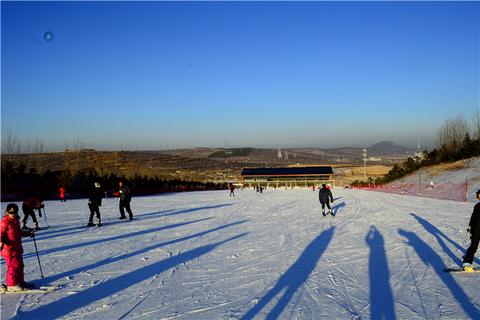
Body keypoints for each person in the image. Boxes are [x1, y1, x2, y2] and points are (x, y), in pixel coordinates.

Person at [0, 204, 35, 292]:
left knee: (20, 266)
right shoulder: (5, 221)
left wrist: (28, 233)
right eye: (11, 212)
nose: (13, 213)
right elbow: (1, 233)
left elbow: (18, 232)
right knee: (13, 267)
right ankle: (11, 285)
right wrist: (1, 242)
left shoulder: (16, 221)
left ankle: (19, 281)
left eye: (15, 212)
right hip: (8, 249)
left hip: (17, 248)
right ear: (7, 211)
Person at [462, 189, 480, 272]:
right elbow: (473, 218)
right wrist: (469, 228)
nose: (479, 196)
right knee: (473, 246)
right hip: (476, 230)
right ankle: (467, 262)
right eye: (478, 195)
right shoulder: (477, 206)